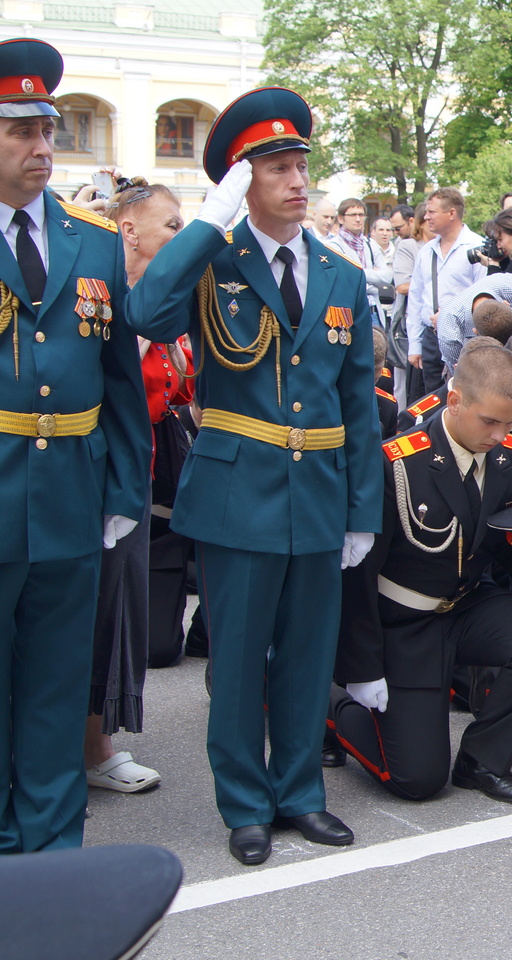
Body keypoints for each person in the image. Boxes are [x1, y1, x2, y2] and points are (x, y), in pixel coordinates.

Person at [126, 86, 383, 866]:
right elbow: (145, 311)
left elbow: (359, 403)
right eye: (277, 167)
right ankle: (244, 803)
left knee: (309, 657)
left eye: (302, 163)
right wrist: (208, 220)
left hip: (318, 498)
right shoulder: (215, 261)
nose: (298, 180)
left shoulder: (340, 275)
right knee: (237, 663)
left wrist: (362, 509)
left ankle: (300, 794)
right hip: (239, 495)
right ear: (245, 181)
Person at [0, 38, 149, 850]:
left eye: (46, 129)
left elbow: (123, 380)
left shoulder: (90, 240)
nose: (41, 147)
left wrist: (124, 494)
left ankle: (53, 837)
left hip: (72, 491)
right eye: (20, 130)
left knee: (58, 678)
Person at [329, 345, 512, 806]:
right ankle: (333, 703)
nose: (501, 435)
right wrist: (360, 667)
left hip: (466, 605)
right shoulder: (396, 464)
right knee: (417, 781)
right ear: (454, 400)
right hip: (404, 622)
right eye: (489, 421)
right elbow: (358, 576)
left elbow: (507, 554)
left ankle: (484, 762)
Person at [84, 179, 195, 795]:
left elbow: (175, 388)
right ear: (128, 231)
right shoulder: (93, 289)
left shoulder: (162, 301)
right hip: (79, 465)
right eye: (171, 224)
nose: (182, 235)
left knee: (118, 610)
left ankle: (97, 745)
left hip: (140, 465)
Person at [406, 188, 486, 395]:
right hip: (431, 338)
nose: (426, 217)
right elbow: (415, 299)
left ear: (451, 213)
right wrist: (415, 345)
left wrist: (451, 316)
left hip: (465, 337)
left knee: (466, 395)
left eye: (432, 212)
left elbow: (485, 296)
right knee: (432, 399)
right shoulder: (426, 251)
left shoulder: (477, 247)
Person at [434, 270, 512, 368]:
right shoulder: (449, 329)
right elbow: (460, 375)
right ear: (476, 333)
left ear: (507, 304)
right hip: (474, 367)